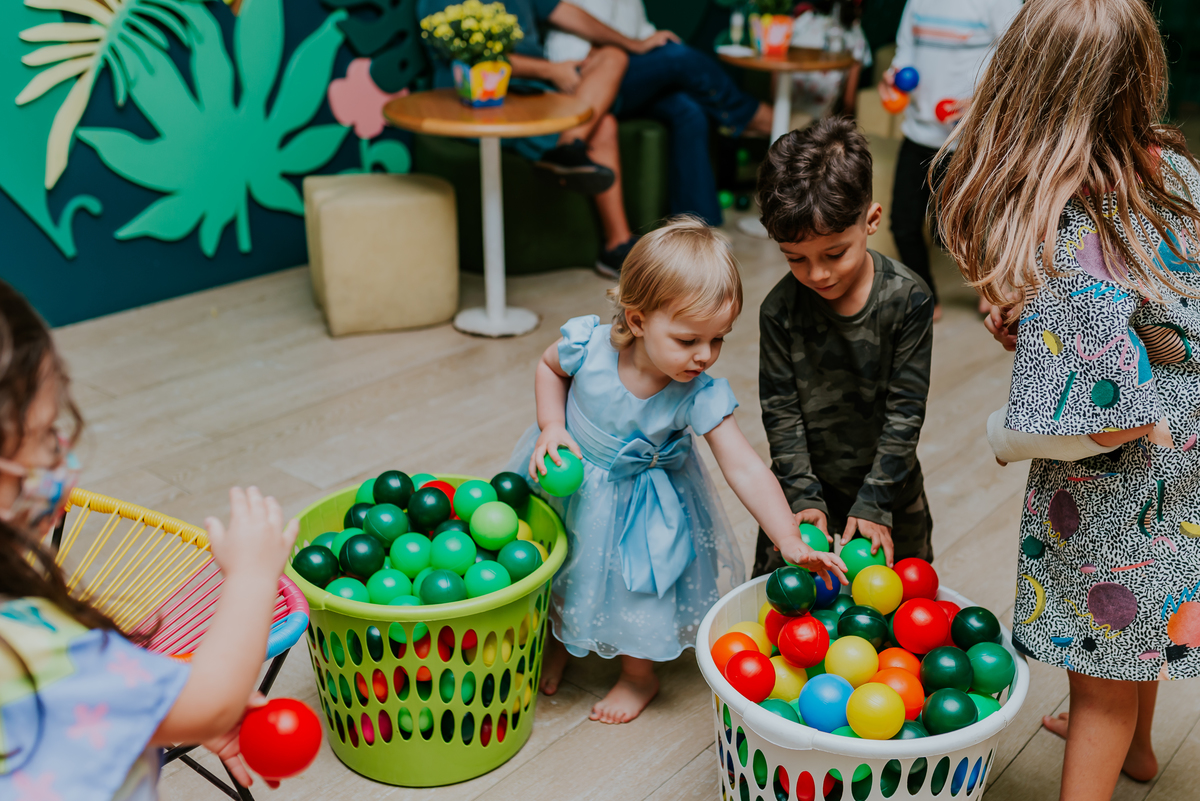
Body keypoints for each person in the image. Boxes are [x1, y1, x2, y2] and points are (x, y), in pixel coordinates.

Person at [936, 1, 1200, 799]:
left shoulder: (1074, 226)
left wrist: (1006, 432)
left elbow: (1108, 418)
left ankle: (1110, 745)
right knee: (1144, 614)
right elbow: (1153, 307)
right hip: (1186, 447)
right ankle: (1139, 750)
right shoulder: (1175, 170)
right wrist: (1043, 328)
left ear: (1028, 89)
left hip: (1122, 478)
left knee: (1099, 679)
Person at [508, 217, 847, 723]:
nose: (705, 356)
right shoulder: (588, 347)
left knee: (638, 588)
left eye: (718, 339)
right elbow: (548, 367)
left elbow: (744, 466)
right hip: (572, 481)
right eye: (689, 340)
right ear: (637, 320)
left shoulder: (699, 393)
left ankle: (637, 675)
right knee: (560, 562)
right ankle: (561, 639)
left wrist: (789, 540)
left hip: (642, 509)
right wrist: (552, 426)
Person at [0, 281, 299, 798]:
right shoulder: (27, 647)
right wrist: (252, 576)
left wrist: (152, 707)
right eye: (46, 434)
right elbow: (213, 703)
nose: (62, 451)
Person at [751, 117, 935, 579]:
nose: (817, 274)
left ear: (871, 220)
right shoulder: (779, 310)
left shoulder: (908, 298)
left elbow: (906, 411)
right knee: (782, 599)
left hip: (889, 487)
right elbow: (780, 412)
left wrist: (875, 499)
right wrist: (801, 494)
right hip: (800, 490)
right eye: (795, 259)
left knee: (904, 601)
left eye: (834, 254)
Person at [418, 0, 677, 275]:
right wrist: (550, 70)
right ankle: (617, 242)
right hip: (479, 97)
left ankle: (569, 146)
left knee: (613, 55)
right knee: (604, 126)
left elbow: (570, 15)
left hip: (538, 89)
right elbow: (468, 58)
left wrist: (634, 44)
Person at [545, 0, 772, 226]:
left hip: (628, 71)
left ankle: (696, 227)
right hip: (589, 79)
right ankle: (750, 115)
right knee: (679, 58)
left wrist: (654, 39)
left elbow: (641, 33)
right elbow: (579, 49)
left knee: (688, 110)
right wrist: (636, 46)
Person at [883, 0, 1021, 318]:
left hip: (968, 139)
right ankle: (925, 296)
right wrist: (892, 79)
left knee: (950, 230)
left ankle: (991, 285)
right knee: (902, 224)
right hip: (918, 133)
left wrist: (986, 98)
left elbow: (1020, 61)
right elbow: (904, 55)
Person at [788, 1, 872, 122]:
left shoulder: (803, 21)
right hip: (819, 120)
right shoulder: (854, 35)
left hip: (787, 109)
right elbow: (848, 102)